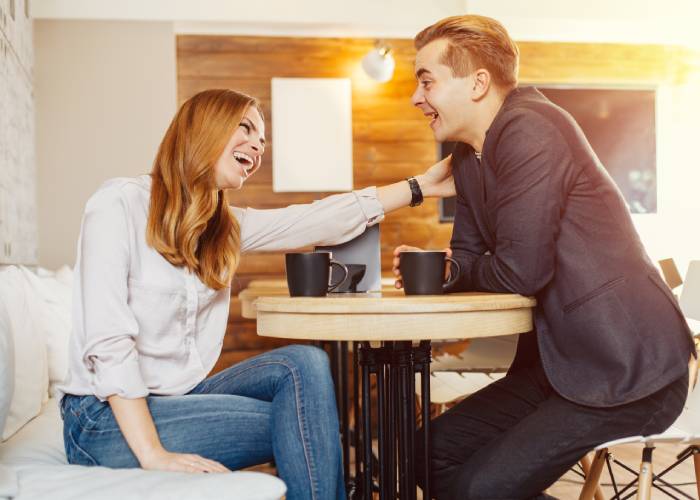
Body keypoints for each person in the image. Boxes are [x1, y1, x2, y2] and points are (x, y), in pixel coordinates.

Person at [57, 88, 455, 500]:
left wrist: (419, 186)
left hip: (180, 397)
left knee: (304, 363)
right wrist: (154, 453)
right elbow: (107, 343)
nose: (258, 146)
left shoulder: (224, 226)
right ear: (202, 129)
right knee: (306, 424)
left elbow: (315, 220)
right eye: (245, 128)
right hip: (101, 421)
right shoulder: (118, 204)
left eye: (262, 139)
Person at [392, 15, 697, 499]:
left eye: (426, 81)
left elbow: (521, 271)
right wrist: (443, 266)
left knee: (477, 490)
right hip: (557, 366)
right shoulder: (467, 154)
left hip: (627, 368)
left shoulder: (531, 127)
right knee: (420, 453)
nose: (416, 97)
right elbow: (469, 253)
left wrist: (455, 268)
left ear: (477, 83)